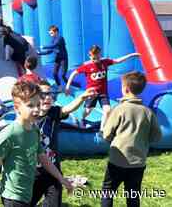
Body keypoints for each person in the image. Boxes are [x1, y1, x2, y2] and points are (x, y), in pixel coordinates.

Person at [0, 81, 73, 207]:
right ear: (16, 107)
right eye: (30, 105)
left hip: (27, 192)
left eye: (37, 105)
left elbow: (43, 158)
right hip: (13, 197)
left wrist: (61, 179)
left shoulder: (35, 130)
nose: (36, 109)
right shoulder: (9, 134)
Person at [101, 71, 162, 207]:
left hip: (117, 160)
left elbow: (106, 134)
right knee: (133, 195)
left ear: (125, 89)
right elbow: (157, 136)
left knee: (108, 192)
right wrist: (143, 141)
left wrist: (113, 139)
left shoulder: (119, 109)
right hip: (138, 162)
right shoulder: (148, 112)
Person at [31, 80, 96, 207]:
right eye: (44, 94)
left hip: (53, 169)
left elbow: (68, 108)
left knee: (54, 203)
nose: (48, 97)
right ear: (35, 97)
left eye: (51, 94)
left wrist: (81, 97)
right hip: (33, 171)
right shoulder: (30, 117)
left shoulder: (53, 113)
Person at [65, 45, 140, 129]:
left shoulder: (105, 62)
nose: (94, 60)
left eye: (96, 58)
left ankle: (102, 129)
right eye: (92, 58)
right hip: (91, 93)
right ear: (89, 56)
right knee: (88, 110)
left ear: (100, 55)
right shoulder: (87, 66)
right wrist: (67, 86)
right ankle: (82, 119)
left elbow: (118, 61)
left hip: (103, 93)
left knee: (107, 110)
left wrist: (131, 55)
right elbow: (73, 73)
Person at [40, 25, 68, 90]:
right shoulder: (53, 40)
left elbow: (54, 45)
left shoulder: (60, 38)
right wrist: (39, 53)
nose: (50, 35)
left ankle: (69, 84)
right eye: (50, 33)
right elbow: (50, 51)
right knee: (54, 73)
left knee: (63, 75)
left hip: (63, 58)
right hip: (58, 58)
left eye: (51, 33)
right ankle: (59, 86)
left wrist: (44, 47)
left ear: (56, 32)